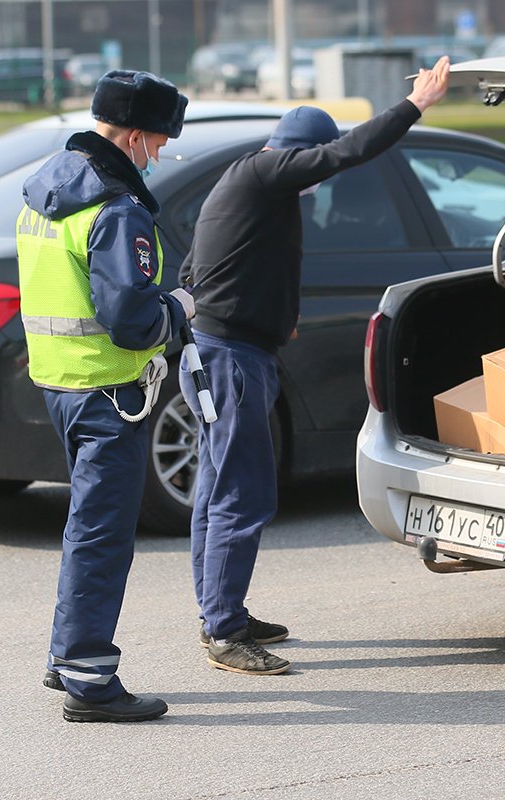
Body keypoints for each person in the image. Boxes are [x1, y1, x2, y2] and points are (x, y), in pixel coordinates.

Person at [176, 56, 453, 676]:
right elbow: (346, 153)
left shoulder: (248, 184)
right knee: (239, 494)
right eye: (312, 167)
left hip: (224, 350)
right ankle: (223, 632)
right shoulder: (270, 172)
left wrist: (271, 315)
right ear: (298, 153)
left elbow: (197, 270)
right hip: (231, 361)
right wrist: (417, 105)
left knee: (219, 488)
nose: (316, 182)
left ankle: (223, 612)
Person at [16, 69, 196, 722]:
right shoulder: (116, 208)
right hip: (108, 392)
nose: (162, 152)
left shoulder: (45, 188)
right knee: (101, 536)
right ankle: (89, 678)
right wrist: (179, 306)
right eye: (159, 141)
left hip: (60, 384)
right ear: (137, 135)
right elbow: (132, 321)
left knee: (84, 527)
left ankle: (64, 656)